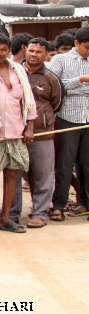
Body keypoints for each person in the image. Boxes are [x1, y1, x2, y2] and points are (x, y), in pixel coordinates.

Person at [0, 36, 36, 234]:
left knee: (13, 174)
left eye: (3, 49)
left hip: (16, 132)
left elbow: (29, 102)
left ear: (9, 50)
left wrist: (29, 127)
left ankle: (6, 218)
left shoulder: (19, 71)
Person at [46, 27, 89, 220]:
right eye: (87, 48)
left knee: (87, 164)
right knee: (64, 164)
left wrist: (74, 87)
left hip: (87, 119)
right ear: (77, 44)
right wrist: (81, 80)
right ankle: (59, 205)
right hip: (67, 118)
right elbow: (54, 85)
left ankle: (84, 203)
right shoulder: (60, 60)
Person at [19, 38, 62, 228]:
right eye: (31, 50)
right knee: (15, 173)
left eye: (38, 52)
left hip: (42, 134)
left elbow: (56, 103)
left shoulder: (51, 78)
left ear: (46, 55)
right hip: (15, 134)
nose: (33, 54)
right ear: (25, 51)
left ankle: (40, 213)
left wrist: (42, 119)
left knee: (44, 174)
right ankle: (11, 212)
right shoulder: (14, 72)